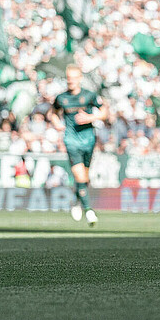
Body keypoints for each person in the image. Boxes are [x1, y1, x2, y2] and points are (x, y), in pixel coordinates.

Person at [49, 65, 107, 226]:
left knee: (84, 178)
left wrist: (90, 118)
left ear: (80, 78)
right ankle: (89, 210)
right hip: (71, 140)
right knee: (80, 176)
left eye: (74, 77)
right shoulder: (62, 98)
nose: (70, 81)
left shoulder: (89, 96)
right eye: (68, 77)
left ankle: (76, 201)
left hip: (88, 140)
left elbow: (104, 112)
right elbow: (53, 112)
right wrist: (57, 123)